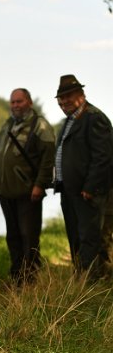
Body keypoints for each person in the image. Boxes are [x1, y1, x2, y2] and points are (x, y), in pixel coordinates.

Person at [0, 88, 55, 283]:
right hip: (5, 192)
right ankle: (17, 277)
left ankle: (31, 280)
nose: (15, 105)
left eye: (19, 101)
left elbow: (47, 159)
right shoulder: (8, 124)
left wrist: (40, 185)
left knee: (29, 237)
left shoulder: (40, 126)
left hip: (28, 193)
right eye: (13, 102)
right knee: (13, 236)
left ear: (29, 103)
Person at [53, 74, 113, 278]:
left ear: (81, 94)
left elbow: (103, 157)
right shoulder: (70, 120)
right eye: (61, 99)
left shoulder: (94, 118)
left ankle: (91, 285)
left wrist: (90, 188)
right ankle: (80, 278)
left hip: (87, 193)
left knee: (90, 239)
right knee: (76, 238)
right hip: (70, 191)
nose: (64, 102)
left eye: (68, 96)